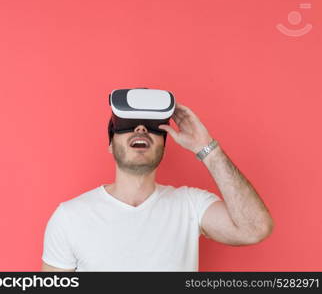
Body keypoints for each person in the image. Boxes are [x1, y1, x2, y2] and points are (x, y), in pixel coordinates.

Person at [41, 102, 274, 272]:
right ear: (111, 144)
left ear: (165, 146)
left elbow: (254, 229)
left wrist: (207, 149)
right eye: (128, 125)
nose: (140, 129)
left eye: (152, 126)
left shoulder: (190, 206)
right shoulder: (70, 217)